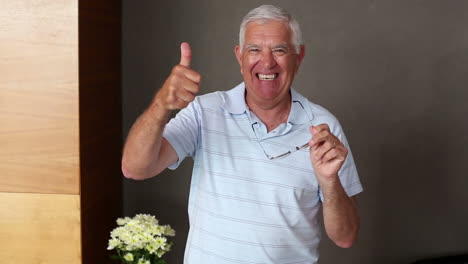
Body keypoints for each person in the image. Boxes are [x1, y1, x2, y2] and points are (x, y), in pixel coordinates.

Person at [122, 4, 363, 263]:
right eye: (254, 50)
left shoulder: (324, 126)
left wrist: (330, 184)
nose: (267, 62)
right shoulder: (205, 111)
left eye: (280, 50)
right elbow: (135, 168)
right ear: (240, 57)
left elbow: (345, 237)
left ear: (299, 56)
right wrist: (161, 106)